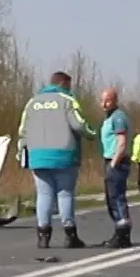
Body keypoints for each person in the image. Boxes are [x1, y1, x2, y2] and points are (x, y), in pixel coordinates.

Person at [17, 70, 88, 249]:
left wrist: (22, 153)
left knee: (44, 195)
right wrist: (92, 134)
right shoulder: (67, 100)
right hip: (64, 154)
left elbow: (23, 131)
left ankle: (43, 236)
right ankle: (70, 235)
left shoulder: (32, 103)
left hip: (38, 156)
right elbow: (79, 124)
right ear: (63, 83)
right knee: (65, 194)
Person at [98, 87, 133, 249]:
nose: (104, 104)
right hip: (109, 160)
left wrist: (113, 163)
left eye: (108, 100)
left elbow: (122, 142)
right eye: (102, 100)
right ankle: (119, 230)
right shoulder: (108, 118)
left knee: (117, 197)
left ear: (115, 101)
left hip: (117, 161)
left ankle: (123, 233)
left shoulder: (118, 117)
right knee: (111, 198)